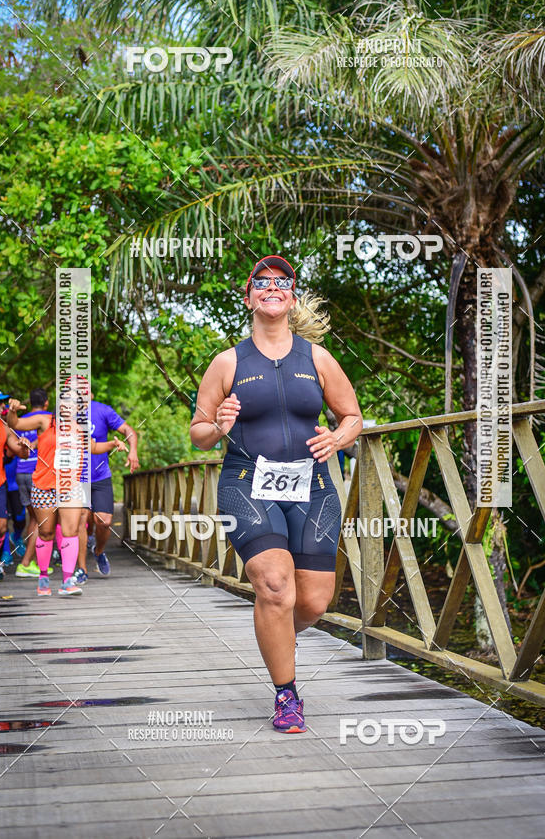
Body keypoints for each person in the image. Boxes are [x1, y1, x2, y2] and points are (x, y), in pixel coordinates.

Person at [190, 255, 362, 733]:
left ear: (290, 296)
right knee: (274, 586)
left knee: (312, 603)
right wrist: (217, 424)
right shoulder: (228, 362)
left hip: (314, 486)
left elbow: (352, 416)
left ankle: (277, 634)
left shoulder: (318, 358)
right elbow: (199, 433)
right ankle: (287, 695)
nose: (272, 287)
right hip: (248, 484)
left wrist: (338, 438)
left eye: (281, 281)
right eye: (261, 282)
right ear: (249, 298)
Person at [7, 389, 128, 597]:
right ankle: (43, 578)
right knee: (46, 533)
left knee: (71, 532)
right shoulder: (45, 421)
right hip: (44, 486)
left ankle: (67, 580)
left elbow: (93, 447)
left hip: (70, 487)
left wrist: (114, 444)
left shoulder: (80, 429)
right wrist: (12, 411)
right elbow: (15, 425)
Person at [74, 387, 139, 583]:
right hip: (76, 477)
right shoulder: (64, 415)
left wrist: (133, 450)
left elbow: (128, 430)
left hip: (100, 475)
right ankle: (82, 569)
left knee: (104, 521)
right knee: (82, 519)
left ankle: (99, 551)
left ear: (90, 395)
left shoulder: (102, 410)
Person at [0, 389, 31, 581]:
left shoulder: (3, 427)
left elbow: (21, 452)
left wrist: (25, 446)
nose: (3, 406)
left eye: (5, 402)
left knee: (1, 527)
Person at [15, 388, 50, 577]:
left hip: (21, 472)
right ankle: (26, 563)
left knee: (35, 519)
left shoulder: (21, 420)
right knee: (41, 520)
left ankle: (36, 562)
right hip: (37, 474)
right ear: (46, 402)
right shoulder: (49, 418)